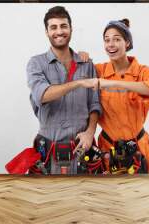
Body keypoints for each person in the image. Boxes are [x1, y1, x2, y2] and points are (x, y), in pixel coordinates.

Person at [26, 6, 101, 174]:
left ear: (71, 28)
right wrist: (79, 83)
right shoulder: (36, 64)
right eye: (53, 27)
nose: (59, 31)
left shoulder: (87, 64)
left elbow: (95, 105)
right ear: (46, 32)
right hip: (47, 152)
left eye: (63, 26)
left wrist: (90, 132)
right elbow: (42, 95)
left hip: (82, 149)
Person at [93, 18, 149, 174]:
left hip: (138, 148)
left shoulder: (143, 72)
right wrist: (82, 57)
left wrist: (112, 84)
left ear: (127, 43)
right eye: (107, 40)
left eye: (117, 39)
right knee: (109, 195)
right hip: (108, 149)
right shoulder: (99, 70)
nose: (111, 44)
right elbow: (75, 69)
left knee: (139, 194)